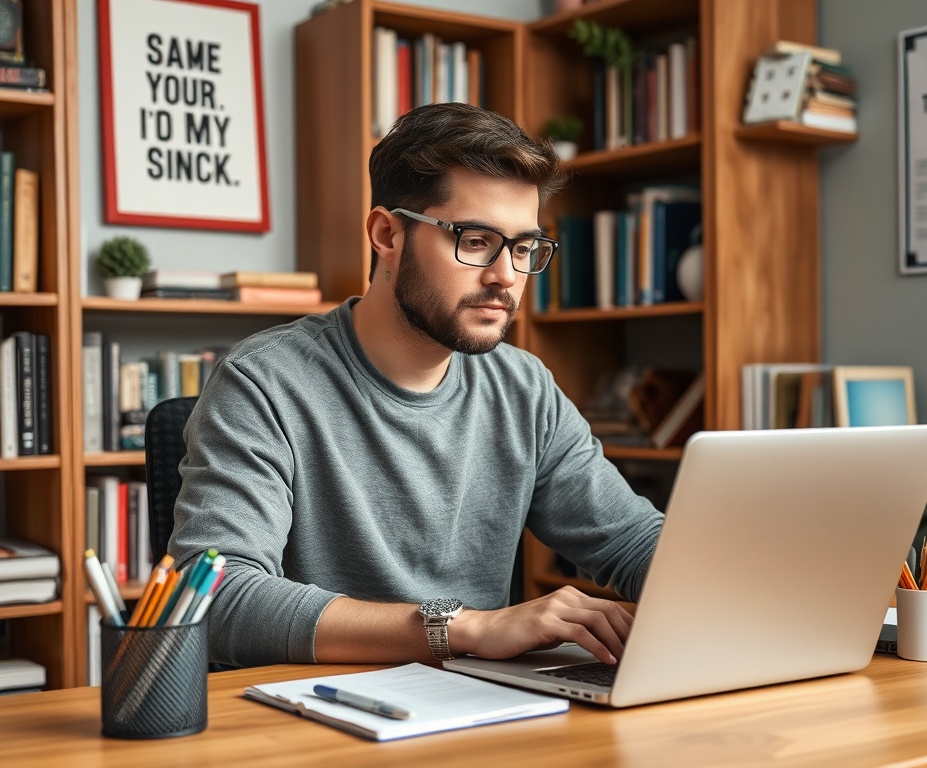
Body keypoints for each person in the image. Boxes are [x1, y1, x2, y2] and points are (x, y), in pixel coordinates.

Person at [169, 103, 664, 669]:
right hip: (310, 719)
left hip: (478, 711)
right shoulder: (264, 382)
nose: (506, 275)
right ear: (387, 234)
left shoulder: (523, 389)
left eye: (524, 248)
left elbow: (631, 542)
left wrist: (740, 579)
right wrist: (464, 627)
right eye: (476, 240)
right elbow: (216, 596)